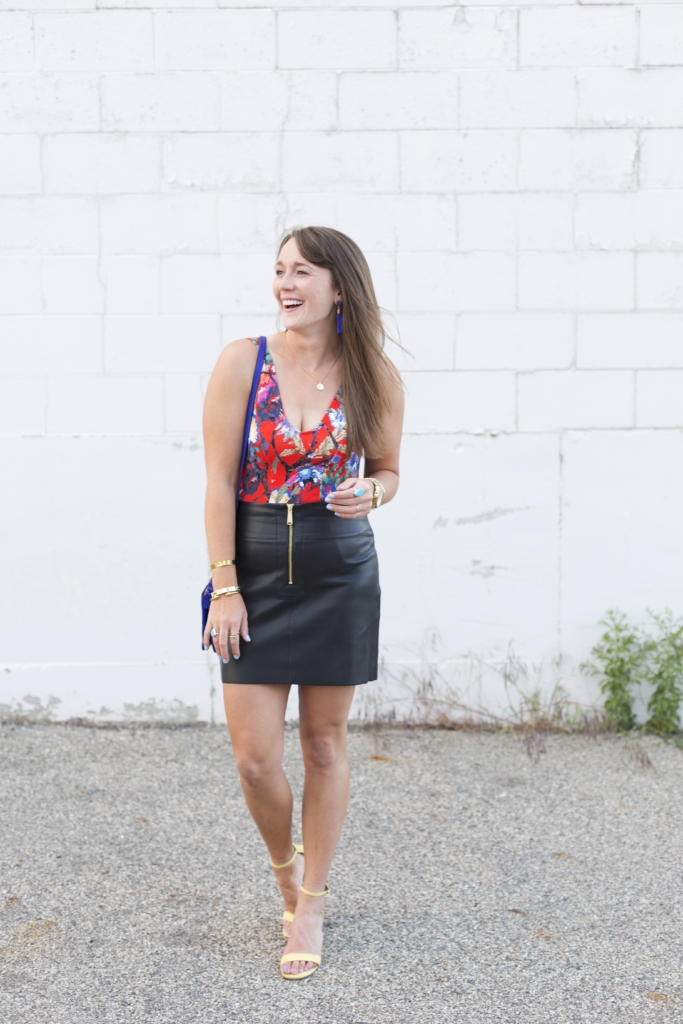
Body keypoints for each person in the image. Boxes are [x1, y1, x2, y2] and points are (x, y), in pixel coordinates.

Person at [202, 226, 404, 980]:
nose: (285, 283)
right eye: (279, 270)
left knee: (323, 745)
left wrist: (372, 492)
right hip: (252, 571)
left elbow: (389, 469)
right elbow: (219, 482)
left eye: (302, 271)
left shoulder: (372, 375)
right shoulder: (241, 362)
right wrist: (225, 586)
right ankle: (284, 868)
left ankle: (311, 901)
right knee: (255, 760)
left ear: (339, 286)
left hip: (339, 571)